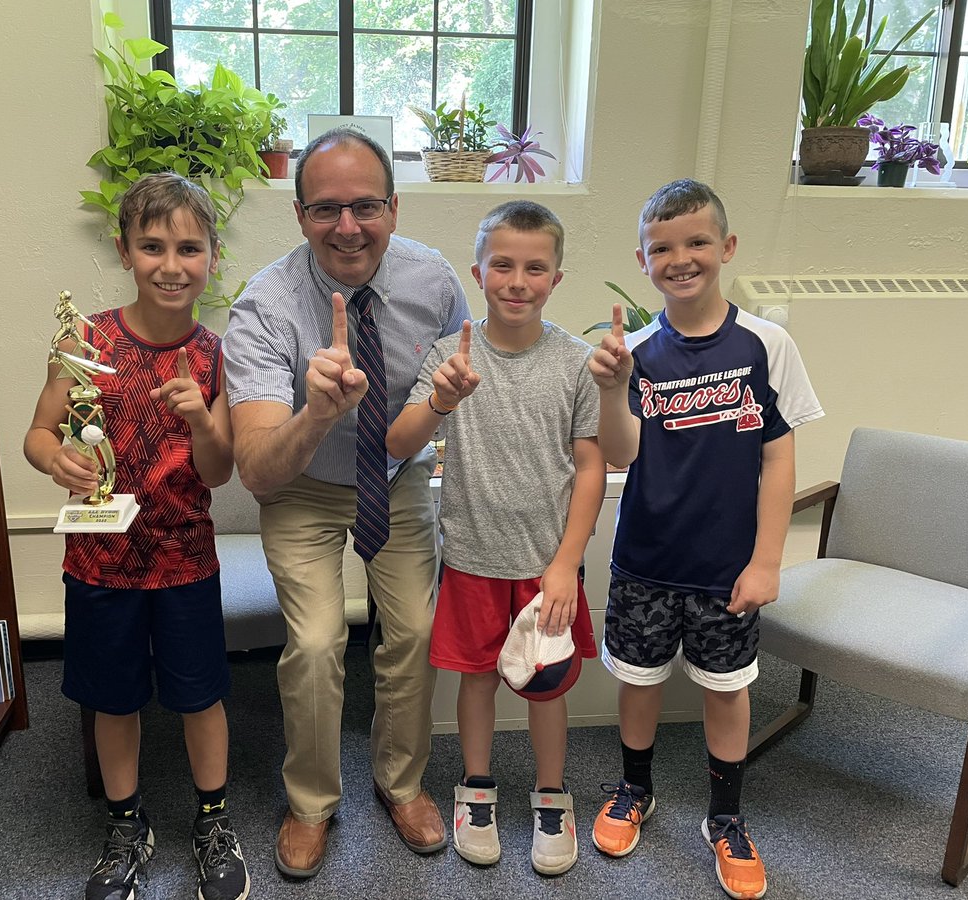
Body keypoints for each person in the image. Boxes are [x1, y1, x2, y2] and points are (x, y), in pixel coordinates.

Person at [223, 126, 470, 879]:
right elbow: (259, 472)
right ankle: (310, 804)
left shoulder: (433, 283)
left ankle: (400, 784)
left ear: (394, 208)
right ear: (299, 216)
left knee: (416, 631)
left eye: (366, 206)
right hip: (299, 488)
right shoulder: (263, 307)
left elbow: (458, 382)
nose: (348, 227)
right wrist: (318, 413)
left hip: (395, 476)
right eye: (326, 209)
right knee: (318, 644)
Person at [587, 178, 823, 900]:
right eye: (662, 247)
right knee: (639, 681)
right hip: (647, 561)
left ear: (726, 247)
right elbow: (622, 453)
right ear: (642, 258)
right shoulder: (638, 351)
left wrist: (768, 560)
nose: (680, 258)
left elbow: (780, 459)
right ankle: (635, 790)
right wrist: (612, 385)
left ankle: (725, 818)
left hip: (729, 568)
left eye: (695, 242)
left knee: (728, 692)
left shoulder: (766, 344)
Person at [23, 172, 249, 900]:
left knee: (200, 695)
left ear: (212, 255)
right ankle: (127, 823)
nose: (171, 264)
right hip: (100, 560)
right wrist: (53, 456)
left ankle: (212, 820)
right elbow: (37, 431)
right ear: (124, 251)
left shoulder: (215, 355)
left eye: (188, 247)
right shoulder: (84, 340)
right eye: (152, 246)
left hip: (185, 558)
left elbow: (217, 471)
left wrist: (203, 419)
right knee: (113, 700)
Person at [386, 200, 628, 876]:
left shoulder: (577, 363)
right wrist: (440, 398)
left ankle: (553, 795)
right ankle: (477, 789)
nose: (517, 280)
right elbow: (398, 443)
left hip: (548, 567)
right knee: (477, 682)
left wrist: (566, 565)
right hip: (470, 561)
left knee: (548, 685)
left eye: (535, 267)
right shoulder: (448, 355)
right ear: (478, 271)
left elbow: (592, 467)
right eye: (503, 265)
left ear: (555, 278)